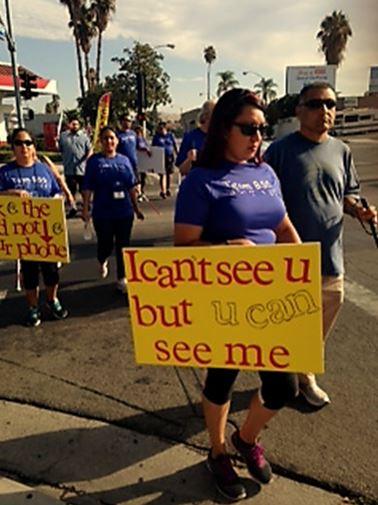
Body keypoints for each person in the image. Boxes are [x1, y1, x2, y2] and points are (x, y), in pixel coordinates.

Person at [174, 89, 302, 501]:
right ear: (224, 129)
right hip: (224, 303)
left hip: (272, 301)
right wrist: (227, 251)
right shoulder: (201, 180)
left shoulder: (264, 173)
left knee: (285, 387)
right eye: (248, 128)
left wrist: (301, 267)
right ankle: (217, 451)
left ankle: (246, 439)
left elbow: (282, 228)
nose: (257, 137)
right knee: (222, 381)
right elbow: (184, 248)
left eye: (261, 129)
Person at [264, 82, 377, 407]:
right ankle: (293, 377)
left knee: (328, 308)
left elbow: (348, 193)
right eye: (315, 104)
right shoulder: (280, 151)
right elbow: (262, 199)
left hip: (330, 256)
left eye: (331, 104)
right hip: (290, 259)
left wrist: (358, 210)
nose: (325, 111)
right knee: (289, 319)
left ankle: (304, 370)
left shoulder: (342, 150)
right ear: (299, 110)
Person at [0, 128, 68, 327]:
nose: (24, 147)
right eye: (19, 143)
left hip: (46, 233)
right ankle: (33, 308)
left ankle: (52, 300)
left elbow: (57, 192)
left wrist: (59, 198)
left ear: (33, 146)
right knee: (29, 274)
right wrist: (12, 193)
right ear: (13, 147)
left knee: (51, 273)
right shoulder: (5, 172)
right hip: (23, 235)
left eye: (28, 143)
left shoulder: (43, 169)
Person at [82, 126, 144, 294]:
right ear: (100, 142)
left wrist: (136, 208)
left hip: (124, 211)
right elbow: (87, 187)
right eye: (105, 138)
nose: (109, 141)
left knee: (123, 245)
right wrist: (85, 209)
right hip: (103, 212)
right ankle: (102, 259)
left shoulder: (124, 161)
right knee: (106, 244)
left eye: (112, 138)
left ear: (117, 141)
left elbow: (131, 186)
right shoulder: (94, 161)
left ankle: (122, 278)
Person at [58, 118, 92, 217]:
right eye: (73, 124)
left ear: (79, 126)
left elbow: (89, 150)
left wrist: (87, 159)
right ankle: (73, 207)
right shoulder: (63, 136)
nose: (74, 126)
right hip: (69, 168)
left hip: (81, 168)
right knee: (71, 190)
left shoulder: (84, 137)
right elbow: (60, 149)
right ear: (69, 125)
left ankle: (86, 205)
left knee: (83, 189)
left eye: (76, 124)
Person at [176, 99, 215, 175]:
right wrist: (190, 160)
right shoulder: (190, 137)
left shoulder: (222, 138)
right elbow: (182, 170)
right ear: (205, 117)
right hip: (196, 184)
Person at [152, 121, 178, 198]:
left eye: (162, 128)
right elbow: (153, 148)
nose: (161, 130)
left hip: (169, 156)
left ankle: (167, 188)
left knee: (169, 174)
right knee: (162, 174)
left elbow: (174, 145)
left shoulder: (170, 136)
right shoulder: (156, 137)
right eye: (160, 129)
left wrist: (177, 154)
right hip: (160, 157)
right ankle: (163, 191)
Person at [134, 125, 151, 202]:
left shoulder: (143, 139)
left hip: (144, 162)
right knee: (138, 178)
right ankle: (139, 193)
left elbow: (147, 146)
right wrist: (145, 149)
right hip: (137, 161)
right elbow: (139, 147)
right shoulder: (135, 139)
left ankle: (142, 192)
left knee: (143, 177)